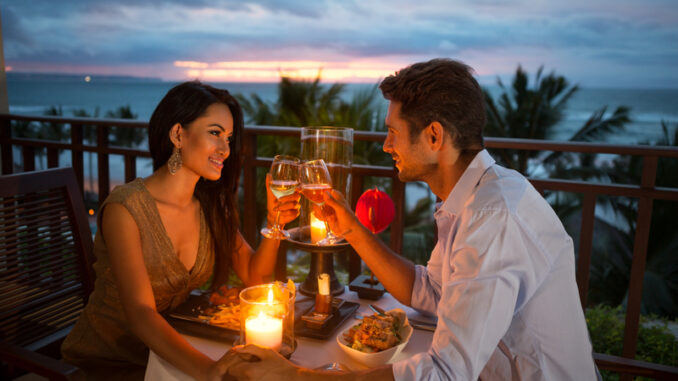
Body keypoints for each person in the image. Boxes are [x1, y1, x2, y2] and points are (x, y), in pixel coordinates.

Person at [225, 59, 598, 380]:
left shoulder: (494, 218)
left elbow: (445, 373)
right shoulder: (475, 197)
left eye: (393, 132)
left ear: (434, 135)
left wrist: (295, 377)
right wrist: (352, 229)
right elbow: (432, 293)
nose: (387, 146)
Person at [61, 81, 300, 381]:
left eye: (228, 137)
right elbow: (141, 314)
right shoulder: (126, 210)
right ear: (177, 134)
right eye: (215, 133)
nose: (225, 149)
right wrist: (210, 371)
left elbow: (256, 277)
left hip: (170, 353)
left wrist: (275, 223)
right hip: (109, 363)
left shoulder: (210, 206)